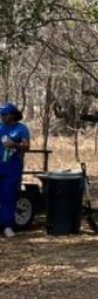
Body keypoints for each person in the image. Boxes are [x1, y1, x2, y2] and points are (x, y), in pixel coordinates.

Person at [0, 102, 31, 239]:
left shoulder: (21, 129)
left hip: (12, 168)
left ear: (12, 115)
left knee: (9, 196)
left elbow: (26, 146)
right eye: (1, 114)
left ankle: (7, 226)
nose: (2, 117)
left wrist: (15, 144)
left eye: (4, 114)